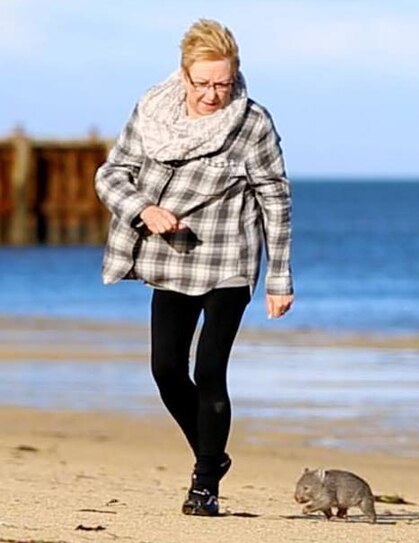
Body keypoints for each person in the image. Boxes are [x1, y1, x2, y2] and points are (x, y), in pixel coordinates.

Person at [95, 19, 293, 516]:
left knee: (208, 369)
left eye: (222, 83)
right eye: (202, 83)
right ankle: (214, 453)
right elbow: (111, 174)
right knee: (165, 370)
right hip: (172, 254)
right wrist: (143, 208)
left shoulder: (252, 123)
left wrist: (279, 276)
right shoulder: (152, 111)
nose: (212, 95)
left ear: (236, 76)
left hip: (230, 258)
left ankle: (204, 484)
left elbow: (276, 199)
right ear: (183, 77)